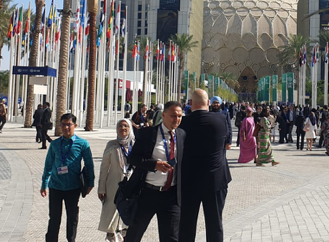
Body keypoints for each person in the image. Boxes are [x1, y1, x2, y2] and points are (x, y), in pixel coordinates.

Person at [124, 101, 185, 242]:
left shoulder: (182, 135)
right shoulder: (147, 134)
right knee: (134, 235)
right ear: (163, 115)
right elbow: (133, 159)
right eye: (173, 116)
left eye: (179, 116)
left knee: (171, 238)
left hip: (171, 195)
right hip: (147, 193)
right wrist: (154, 164)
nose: (176, 119)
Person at [178, 89, 232, 242]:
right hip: (216, 179)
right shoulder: (221, 119)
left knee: (186, 224)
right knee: (215, 224)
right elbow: (226, 142)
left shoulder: (183, 123)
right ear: (208, 102)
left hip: (189, 180)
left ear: (190, 103)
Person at [41, 113, 95, 242]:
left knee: (72, 217)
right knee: (54, 218)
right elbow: (48, 165)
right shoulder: (55, 144)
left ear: (75, 125)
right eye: (63, 124)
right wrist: (44, 184)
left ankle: (71, 239)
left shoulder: (82, 144)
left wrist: (91, 182)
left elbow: (89, 164)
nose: (66, 127)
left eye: (69, 124)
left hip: (73, 187)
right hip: (55, 186)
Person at [98, 119, 135, 241]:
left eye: (125, 126)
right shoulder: (111, 145)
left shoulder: (135, 145)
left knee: (129, 211)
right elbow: (104, 168)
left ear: (130, 128)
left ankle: (125, 234)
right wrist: (101, 188)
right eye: (120, 126)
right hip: (113, 184)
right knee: (111, 210)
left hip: (131, 184)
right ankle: (111, 236)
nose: (123, 128)